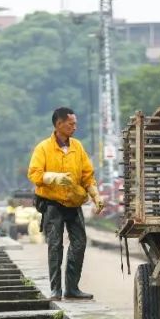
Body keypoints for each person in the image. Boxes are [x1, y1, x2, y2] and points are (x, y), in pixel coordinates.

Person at [27, 107, 104, 300]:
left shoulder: (77, 147)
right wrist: (53, 177)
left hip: (73, 202)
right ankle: (55, 289)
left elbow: (87, 175)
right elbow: (34, 174)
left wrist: (95, 194)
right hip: (52, 203)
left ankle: (72, 288)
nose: (74, 127)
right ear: (59, 124)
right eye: (71, 124)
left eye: (75, 123)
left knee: (79, 243)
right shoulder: (43, 148)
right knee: (55, 244)